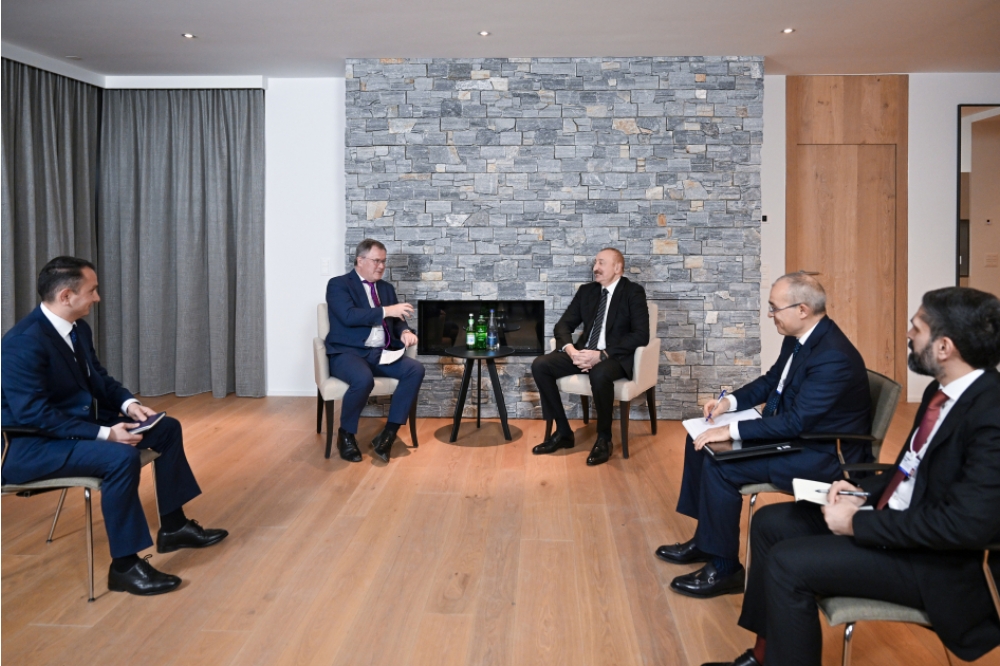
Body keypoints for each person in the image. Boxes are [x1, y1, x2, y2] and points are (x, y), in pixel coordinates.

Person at [706, 287, 1000, 666]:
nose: (908, 334)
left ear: (944, 347)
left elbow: (964, 526)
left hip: (934, 564)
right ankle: (765, 656)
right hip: (892, 519)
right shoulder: (940, 390)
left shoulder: (990, 415)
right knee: (769, 523)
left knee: (786, 564)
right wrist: (859, 490)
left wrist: (858, 524)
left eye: (917, 327)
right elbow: (911, 472)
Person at [1, 257, 228, 596]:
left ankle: (174, 527)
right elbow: (34, 415)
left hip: (75, 427)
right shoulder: (22, 342)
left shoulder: (78, 329)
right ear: (66, 296)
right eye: (92, 290)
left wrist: (129, 405)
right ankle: (124, 567)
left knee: (166, 429)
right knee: (120, 458)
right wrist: (107, 434)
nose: (97, 297)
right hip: (32, 446)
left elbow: (99, 379)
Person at [657, 273, 870, 597]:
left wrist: (729, 429)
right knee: (698, 440)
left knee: (720, 465)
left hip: (823, 454)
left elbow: (796, 422)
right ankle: (707, 540)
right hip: (797, 436)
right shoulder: (799, 338)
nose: (770, 315)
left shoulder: (833, 356)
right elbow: (772, 382)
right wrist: (729, 403)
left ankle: (725, 569)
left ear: (802, 309)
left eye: (774, 308)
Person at [530, 248, 649, 466]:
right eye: (595, 263)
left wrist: (601, 355)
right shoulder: (587, 291)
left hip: (614, 357)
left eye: (601, 263)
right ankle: (564, 432)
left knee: (600, 373)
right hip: (583, 353)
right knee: (541, 365)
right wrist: (573, 352)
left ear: (617, 268)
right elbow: (563, 325)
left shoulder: (633, 292)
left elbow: (641, 334)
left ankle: (604, 439)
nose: (595, 268)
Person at [324, 238, 424, 463]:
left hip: (379, 353)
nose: (381, 266)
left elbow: (397, 320)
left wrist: (404, 331)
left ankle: (388, 435)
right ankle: (346, 435)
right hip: (346, 353)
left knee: (415, 369)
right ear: (360, 260)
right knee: (362, 379)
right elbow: (348, 316)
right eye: (376, 261)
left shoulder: (386, 289)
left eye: (383, 261)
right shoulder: (339, 284)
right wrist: (387, 311)